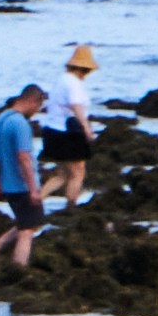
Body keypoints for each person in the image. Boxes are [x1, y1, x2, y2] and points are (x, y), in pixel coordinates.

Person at [0, 79, 56, 278]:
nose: (37, 111)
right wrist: (34, 189)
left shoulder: (2, 118)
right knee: (28, 230)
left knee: (27, 221)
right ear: (33, 101)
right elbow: (24, 158)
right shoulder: (20, 124)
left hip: (7, 182)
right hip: (21, 185)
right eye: (39, 106)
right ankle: (19, 270)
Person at [43, 45, 102, 218]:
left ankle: (37, 200)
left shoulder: (61, 79)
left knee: (62, 173)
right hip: (67, 132)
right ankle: (71, 206)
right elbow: (76, 107)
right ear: (82, 68)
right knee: (78, 172)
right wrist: (87, 129)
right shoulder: (73, 83)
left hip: (52, 131)